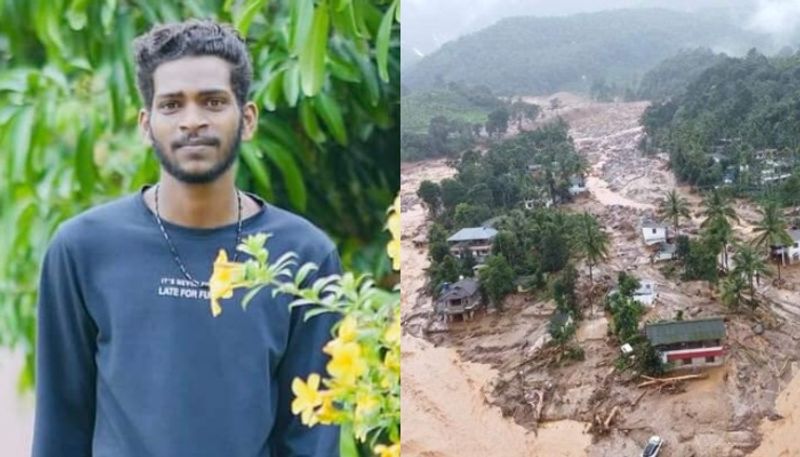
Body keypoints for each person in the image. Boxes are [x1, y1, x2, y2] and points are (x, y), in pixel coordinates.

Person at [32, 20, 340, 457]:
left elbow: (311, 438)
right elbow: (60, 428)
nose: (192, 121)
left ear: (247, 118)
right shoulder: (82, 249)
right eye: (172, 104)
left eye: (213, 101)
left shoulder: (305, 256)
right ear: (146, 124)